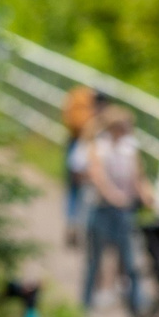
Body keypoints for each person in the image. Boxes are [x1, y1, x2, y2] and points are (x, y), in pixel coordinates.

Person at [81, 105, 145, 317]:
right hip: (102, 209)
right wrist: (114, 196)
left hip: (123, 209)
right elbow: (98, 176)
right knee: (94, 260)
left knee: (130, 259)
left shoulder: (129, 148)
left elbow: (137, 177)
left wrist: (146, 195)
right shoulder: (99, 147)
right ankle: (86, 306)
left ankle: (137, 303)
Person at [59, 83, 96, 248]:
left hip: (73, 144)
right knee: (82, 191)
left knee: (72, 189)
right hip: (85, 146)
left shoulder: (74, 98)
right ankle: (81, 226)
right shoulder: (90, 104)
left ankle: (71, 222)